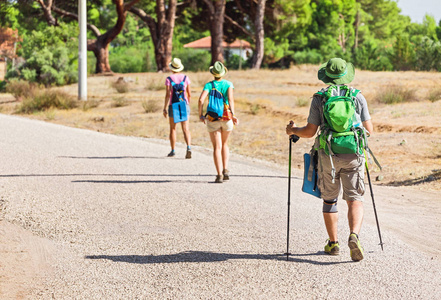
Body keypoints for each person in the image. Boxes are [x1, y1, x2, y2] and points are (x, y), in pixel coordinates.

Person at [285, 58, 374, 261]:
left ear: (327, 76)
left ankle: (333, 243)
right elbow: (369, 131)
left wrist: (292, 130)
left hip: (328, 156)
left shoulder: (320, 98)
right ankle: (354, 236)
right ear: (345, 75)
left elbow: (309, 131)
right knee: (354, 199)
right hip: (354, 154)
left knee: (329, 199)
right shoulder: (357, 97)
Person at [198, 61, 239, 183]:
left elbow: (201, 100)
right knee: (225, 144)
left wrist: (200, 114)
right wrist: (233, 115)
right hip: (226, 117)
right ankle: (226, 169)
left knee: (217, 147)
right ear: (223, 73)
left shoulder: (209, 85)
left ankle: (219, 174)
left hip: (212, 118)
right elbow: (231, 100)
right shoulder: (228, 84)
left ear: (213, 73)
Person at [163, 57, 192, 159]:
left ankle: (173, 150)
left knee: (173, 129)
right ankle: (188, 147)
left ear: (172, 68)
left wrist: (165, 108)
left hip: (173, 105)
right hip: (184, 104)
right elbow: (189, 93)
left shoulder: (169, 79)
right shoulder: (186, 78)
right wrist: (188, 104)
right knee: (185, 129)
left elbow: (168, 94)